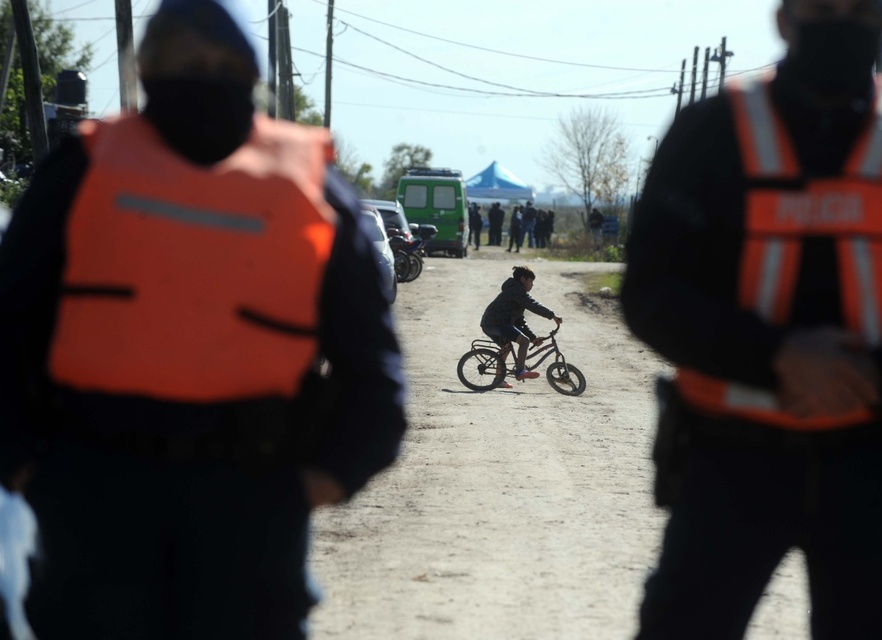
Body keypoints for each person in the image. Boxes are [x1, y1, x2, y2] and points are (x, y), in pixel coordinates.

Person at [0, 0, 407, 637]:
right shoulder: (83, 171)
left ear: (252, 77)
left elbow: (374, 369)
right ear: (149, 72)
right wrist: (24, 462)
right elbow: (8, 323)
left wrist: (324, 477)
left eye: (222, 65)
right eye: (189, 64)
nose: (205, 77)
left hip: (250, 498)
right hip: (95, 495)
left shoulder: (311, 190)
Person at [621, 0, 882, 638]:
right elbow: (650, 292)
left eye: (857, 10)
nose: (840, 22)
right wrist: (777, 355)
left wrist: (877, 375)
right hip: (727, 459)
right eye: (821, 8)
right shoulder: (708, 134)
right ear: (784, 19)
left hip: (875, 466)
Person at [481, 265, 562, 383]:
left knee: (506, 348)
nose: (532, 285)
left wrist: (533, 338)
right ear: (523, 279)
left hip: (490, 323)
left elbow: (520, 322)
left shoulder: (516, 292)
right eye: (531, 281)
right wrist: (552, 315)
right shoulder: (516, 290)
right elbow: (533, 305)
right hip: (497, 323)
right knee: (524, 341)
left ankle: (498, 381)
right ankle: (520, 371)